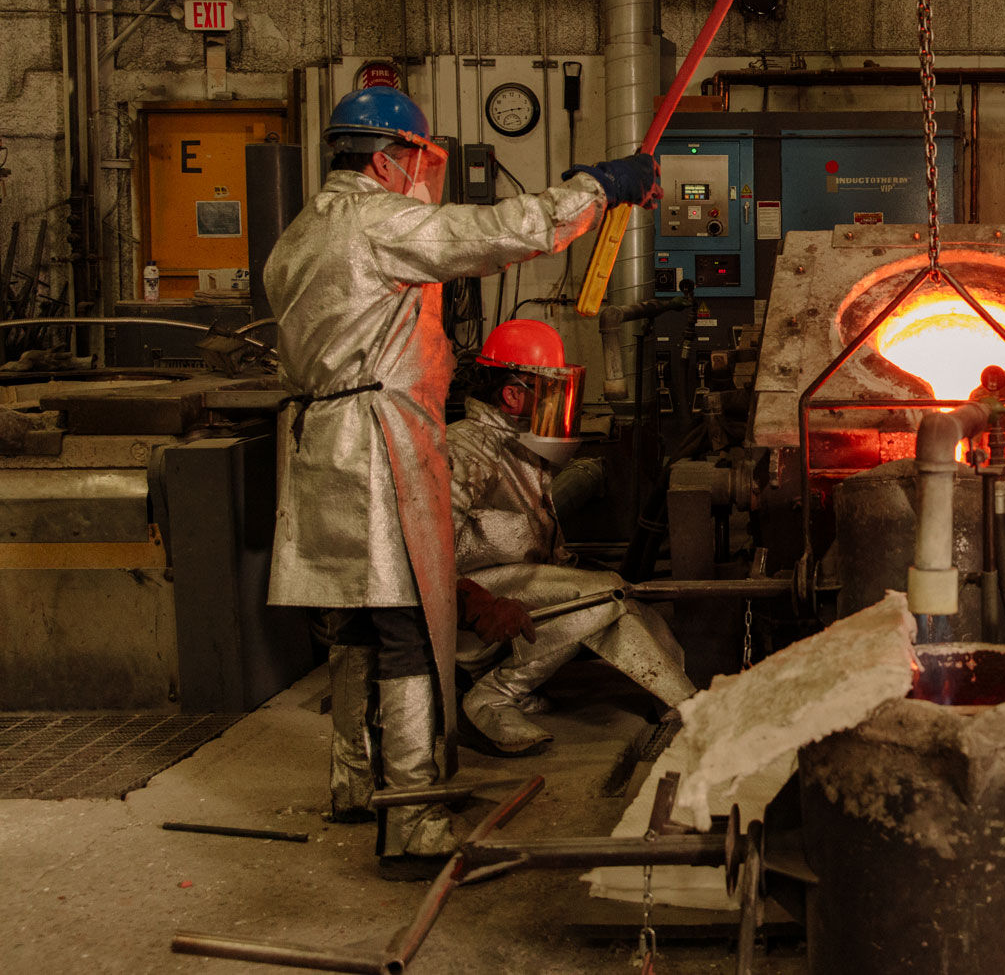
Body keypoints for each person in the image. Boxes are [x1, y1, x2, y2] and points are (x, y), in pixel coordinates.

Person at [264, 85, 660, 878]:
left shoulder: (299, 235)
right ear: (384, 158)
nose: (421, 175)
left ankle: (352, 781)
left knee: (354, 627)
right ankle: (411, 821)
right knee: (410, 631)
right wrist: (598, 185)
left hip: (320, 448)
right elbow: (503, 230)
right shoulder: (377, 221)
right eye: (416, 160)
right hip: (378, 444)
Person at [451, 318, 695, 757]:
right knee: (605, 596)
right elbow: (426, 558)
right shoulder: (463, 451)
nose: (560, 405)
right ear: (512, 394)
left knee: (624, 600)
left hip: (514, 592)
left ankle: (682, 707)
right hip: (470, 615)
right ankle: (491, 695)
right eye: (549, 390)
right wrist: (476, 605)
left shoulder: (519, 448)